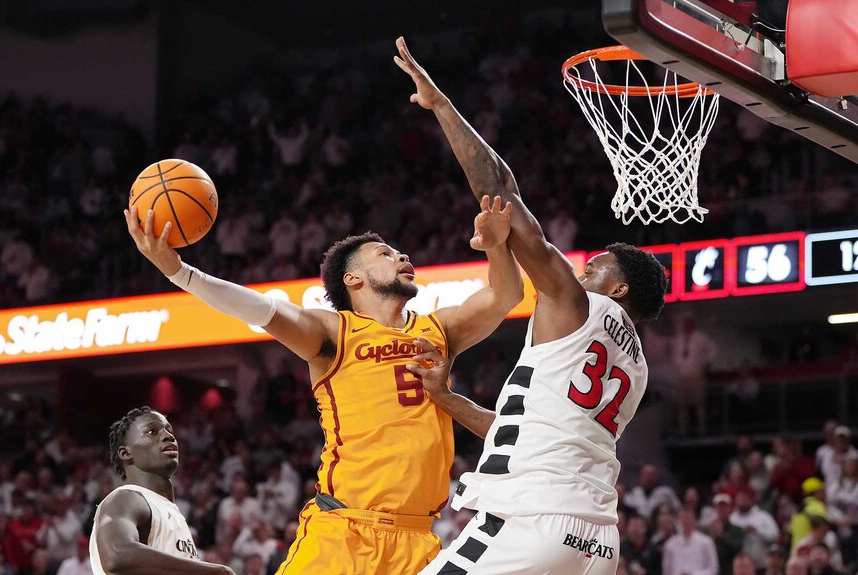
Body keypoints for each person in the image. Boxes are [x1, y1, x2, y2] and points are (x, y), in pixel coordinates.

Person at [125, 190, 524, 573]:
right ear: (353, 280)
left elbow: (507, 293)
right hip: (343, 532)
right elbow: (261, 309)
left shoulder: (440, 329)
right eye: (384, 254)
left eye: (398, 251)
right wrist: (180, 272)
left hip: (418, 538)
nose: (402, 255)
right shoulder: (333, 332)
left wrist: (496, 246)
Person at [395, 36, 669, 574]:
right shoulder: (635, 367)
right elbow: (528, 430)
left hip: (533, 520)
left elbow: (500, 189)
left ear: (619, 290)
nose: (581, 270)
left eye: (595, 268)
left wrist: (441, 107)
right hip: (595, 542)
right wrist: (448, 401)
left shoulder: (577, 305)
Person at [90, 407, 234, 575]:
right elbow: (117, 554)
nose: (168, 436)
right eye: (152, 431)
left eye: (169, 430)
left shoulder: (171, 512)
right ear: (125, 452)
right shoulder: (125, 498)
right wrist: (213, 571)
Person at [661, 509, 719, 575]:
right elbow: (666, 570)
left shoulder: (706, 542)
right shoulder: (670, 544)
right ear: (678, 520)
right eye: (683, 518)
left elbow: (713, 569)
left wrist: (694, 574)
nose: (686, 521)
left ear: (695, 520)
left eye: (689, 518)